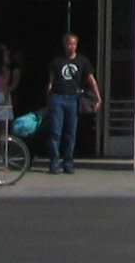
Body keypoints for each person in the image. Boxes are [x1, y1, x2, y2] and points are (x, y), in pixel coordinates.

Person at [44, 31, 100, 174]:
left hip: (73, 98)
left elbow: (91, 80)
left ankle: (68, 162)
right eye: (69, 44)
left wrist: (97, 97)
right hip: (57, 97)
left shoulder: (82, 61)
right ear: (64, 45)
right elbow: (51, 82)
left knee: (71, 132)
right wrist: (48, 99)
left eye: (74, 44)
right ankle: (54, 162)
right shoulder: (57, 61)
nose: (71, 47)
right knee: (55, 131)